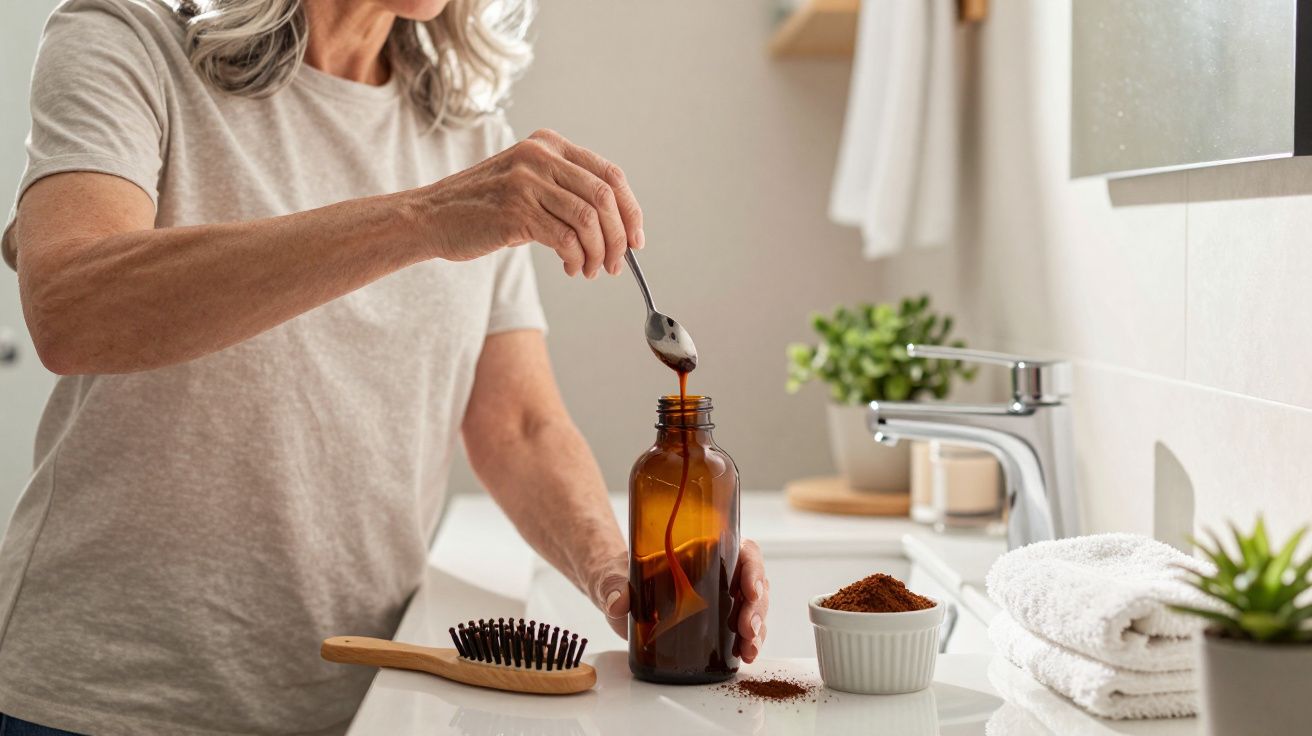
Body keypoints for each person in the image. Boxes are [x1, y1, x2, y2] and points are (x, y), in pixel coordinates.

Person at [0, 0, 770, 733]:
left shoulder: (470, 140)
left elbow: (519, 423)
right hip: (111, 702)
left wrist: (622, 575)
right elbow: (71, 306)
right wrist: (424, 219)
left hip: (373, 699)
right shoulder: (128, 38)